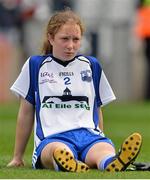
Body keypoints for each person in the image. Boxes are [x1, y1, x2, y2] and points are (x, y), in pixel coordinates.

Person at [7, 9, 142, 172]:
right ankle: (68, 162)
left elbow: (96, 109)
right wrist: (17, 156)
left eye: (76, 39)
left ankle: (110, 162)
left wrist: (100, 138)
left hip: (88, 136)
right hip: (53, 138)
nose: (70, 46)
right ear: (51, 38)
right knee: (58, 151)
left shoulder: (92, 65)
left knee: (102, 150)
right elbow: (26, 113)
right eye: (64, 39)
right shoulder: (35, 65)